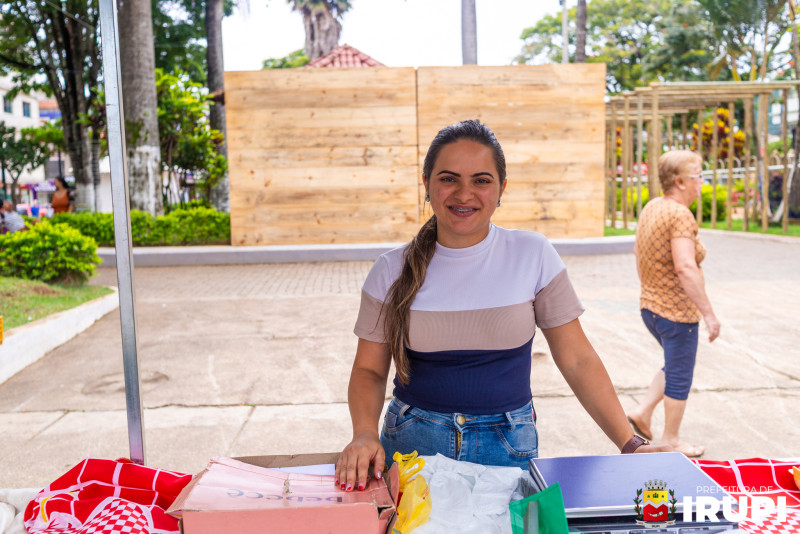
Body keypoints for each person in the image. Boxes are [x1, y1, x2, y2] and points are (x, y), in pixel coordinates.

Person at [335, 120, 669, 492]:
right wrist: (364, 433)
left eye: (481, 180)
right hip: (412, 445)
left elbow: (577, 359)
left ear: (501, 189)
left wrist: (630, 443)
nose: (464, 194)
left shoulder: (533, 254)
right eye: (448, 179)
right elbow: (368, 370)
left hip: (508, 447)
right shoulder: (390, 270)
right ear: (426, 184)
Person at [626, 150, 720, 458]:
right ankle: (672, 440)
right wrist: (709, 315)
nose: (701, 182)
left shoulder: (653, 207)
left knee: (673, 362)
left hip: (651, 308)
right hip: (677, 314)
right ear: (679, 181)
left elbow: (638, 254)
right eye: (698, 176)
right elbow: (685, 266)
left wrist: (650, 290)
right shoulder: (681, 215)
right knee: (680, 373)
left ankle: (642, 411)